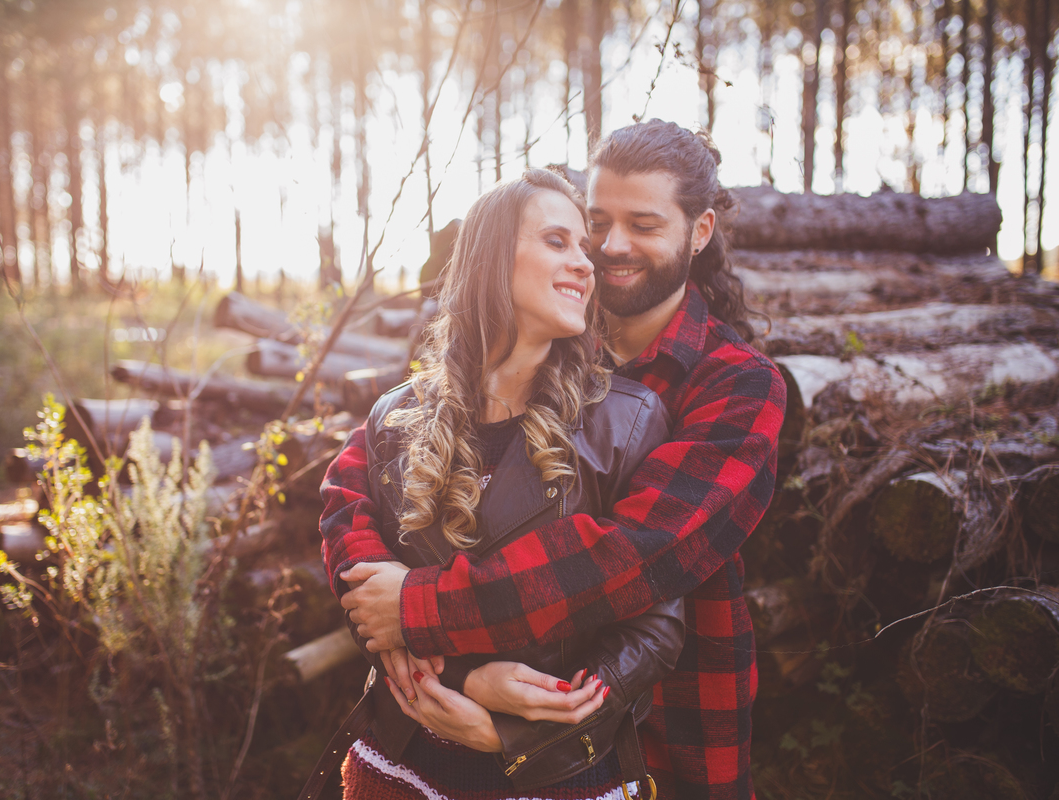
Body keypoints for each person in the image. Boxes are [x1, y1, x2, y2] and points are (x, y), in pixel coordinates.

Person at [331, 120, 787, 799]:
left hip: (671, 725)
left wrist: (419, 612)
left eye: (644, 224)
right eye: (596, 220)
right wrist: (385, 606)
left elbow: (629, 557)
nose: (610, 247)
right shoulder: (541, 333)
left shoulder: (737, 384)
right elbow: (355, 484)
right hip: (458, 733)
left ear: (699, 232)